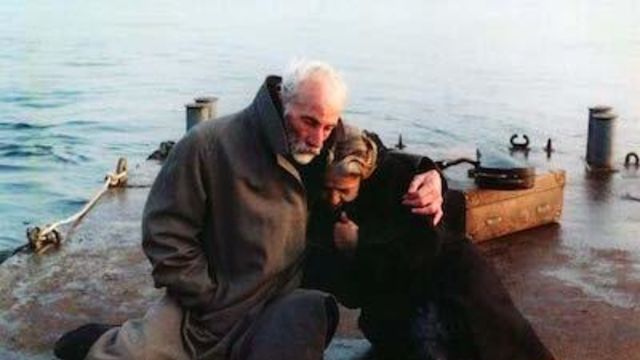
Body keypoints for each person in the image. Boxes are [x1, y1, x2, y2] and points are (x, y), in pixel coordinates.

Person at [53, 60, 445, 360]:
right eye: (309, 121)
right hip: (202, 309)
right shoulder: (207, 146)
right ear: (281, 101)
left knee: (308, 317)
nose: (318, 137)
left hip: (278, 302)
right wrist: (207, 293)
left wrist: (428, 172)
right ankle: (108, 338)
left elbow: (375, 155)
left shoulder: (325, 143)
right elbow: (165, 234)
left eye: (328, 126)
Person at [303, 125, 556, 360]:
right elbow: (350, 291)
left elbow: (420, 250)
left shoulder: (407, 182)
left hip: (457, 287)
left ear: (365, 173)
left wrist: (359, 244)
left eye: (344, 191)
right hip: (405, 311)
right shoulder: (324, 206)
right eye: (328, 189)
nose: (334, 200)